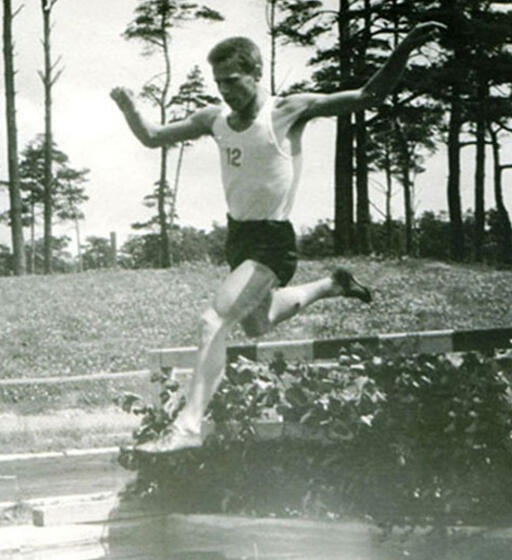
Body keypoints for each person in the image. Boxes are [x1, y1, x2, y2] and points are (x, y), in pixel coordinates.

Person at [110, 22, 445, 453]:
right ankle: (330, 285)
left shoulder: (287, 111)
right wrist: (128, 108)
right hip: (239, 239)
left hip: (272, 242)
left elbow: (368, 96)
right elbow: (152, 137)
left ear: (256, 73)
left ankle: (188, 426)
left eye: (233, 80)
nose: (225, 91)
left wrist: (404, 48)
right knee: (256, 323)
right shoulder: (214, 120)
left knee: (213, 321)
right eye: (218, 83)